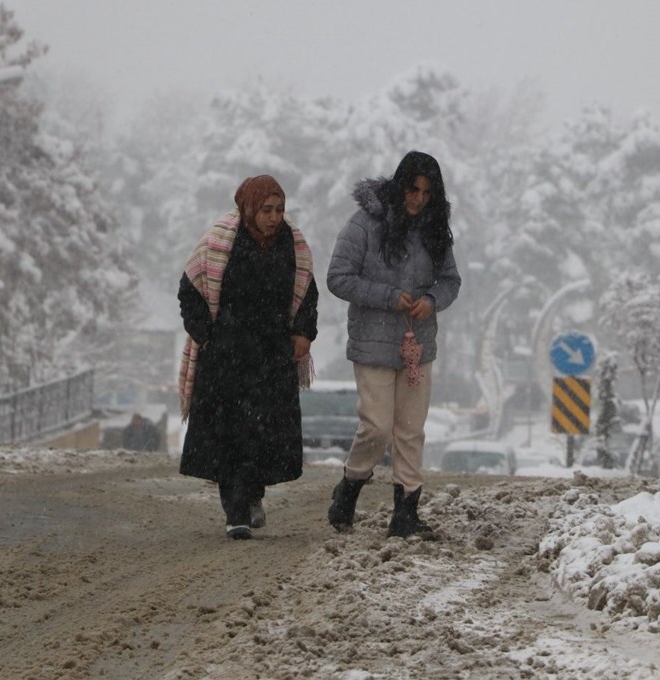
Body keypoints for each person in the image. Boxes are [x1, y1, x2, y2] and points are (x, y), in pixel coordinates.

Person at [326, 151, 461, 538]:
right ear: (399, 186)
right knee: (377, 427)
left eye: (426, 192)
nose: (418, 199)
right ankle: (350, 484)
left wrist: (432, 300)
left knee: (410, 430)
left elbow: (451, 281)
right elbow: (338, 277)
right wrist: (388, 296)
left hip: (417, 346)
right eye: (412, 189)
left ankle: (406, 511)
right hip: (373, 343)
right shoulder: (365, 224)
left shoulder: (436, 231)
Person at [177, 175, 318, 540]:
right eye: (266, 210)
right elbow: (189, 289)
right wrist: (206, 334)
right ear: (248, 208)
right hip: (226, 357)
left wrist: (303, 333)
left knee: (263, 433)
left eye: (280, 209)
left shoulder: (294, 244)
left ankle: (253, 493)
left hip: (272, 357)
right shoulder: (220, 240)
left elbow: (306, 295)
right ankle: (235, 510)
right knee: (230, 435)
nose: (274, 218)